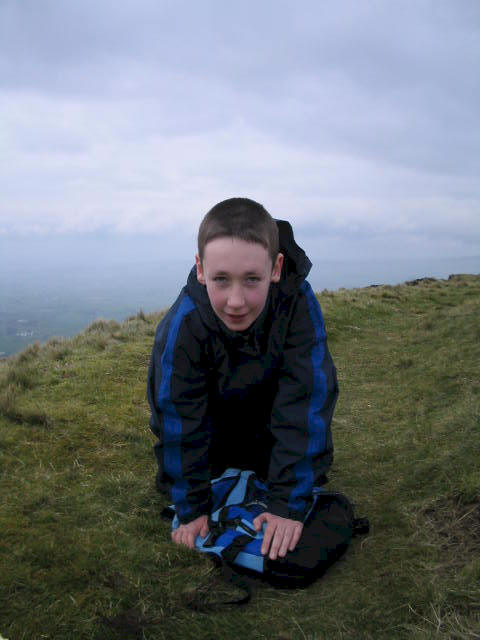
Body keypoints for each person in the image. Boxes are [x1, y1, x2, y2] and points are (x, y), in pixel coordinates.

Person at [147, 198, 339, 565]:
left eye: (252, 279)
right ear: (201, 270)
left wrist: (286, 504)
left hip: (271, 442)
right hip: (213, 450)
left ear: (276, 267)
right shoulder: (184, 324)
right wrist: (192, 507)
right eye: (221, 280)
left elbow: (307, 400)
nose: (236, 301)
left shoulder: (297, 304)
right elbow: (177, 417)